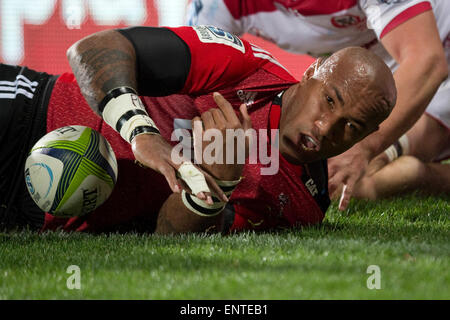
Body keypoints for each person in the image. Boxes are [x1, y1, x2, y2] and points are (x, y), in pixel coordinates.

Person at [0, 25, 396, 234]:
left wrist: (216, 187)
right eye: (329, 101)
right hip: (28, 114)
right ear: (310, 71)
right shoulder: (244, 65)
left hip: (36, 217)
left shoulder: (301, 206)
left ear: (363, 139)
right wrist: (142, 134)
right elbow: (95, 49)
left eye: (351, 127)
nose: (326, 128)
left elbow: (167, 236)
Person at [187, 0, 450, 208]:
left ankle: (422, 175)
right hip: (370, 90)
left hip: (434, 62)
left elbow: (427, 62)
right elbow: (190, 81)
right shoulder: (218, 4)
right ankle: (411, 169)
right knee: (337, 179)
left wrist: (364, 149)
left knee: (352, 167)